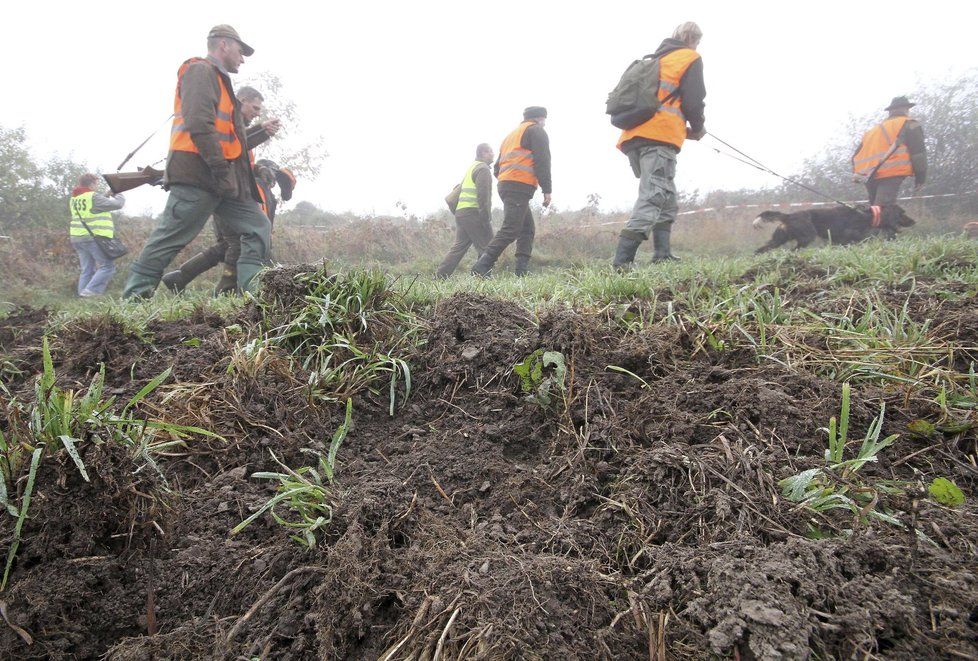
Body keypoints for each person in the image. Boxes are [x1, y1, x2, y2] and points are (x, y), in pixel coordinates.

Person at [122, 24, 271, 299]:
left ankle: (256, 295)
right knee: (170, 238)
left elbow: (233, 145)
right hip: (200, 176)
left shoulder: (222, 83)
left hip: (224, 182)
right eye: (241, 50)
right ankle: (134, 298)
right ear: (224, 45)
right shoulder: (200, 71)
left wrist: (261, 134)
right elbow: (199, 125)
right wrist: (219, 169)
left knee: (257, 225)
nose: (243, 57)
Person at [160, 85, 283, 293]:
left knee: (228, 244)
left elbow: (237, 164)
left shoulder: (240, 131)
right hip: (223, 194)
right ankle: (226, 291)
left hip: (230, 194)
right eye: (254, 108)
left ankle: (180, 277)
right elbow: (214, 155)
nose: (256, 113)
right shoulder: (226, 125)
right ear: (241, 100)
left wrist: (258, 168)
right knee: (236, 243)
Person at [611, 21, 706, 270]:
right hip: (659, 139)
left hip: (634, 137)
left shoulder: (656, 60)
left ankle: (662, 253)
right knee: (654, 196)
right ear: (693, 39)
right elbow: (694, 101)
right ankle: (622, 262)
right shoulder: (689, 57)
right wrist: (698, 128)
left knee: (666, 195)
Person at [471, 107, 552, 277]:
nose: (545, 123)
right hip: (519, 185)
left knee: (527, 228)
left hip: (508, 185)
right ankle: (481, 266)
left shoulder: (511, 135)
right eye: (545, 119)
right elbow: (543, 160)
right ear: (540, 118)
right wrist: (547, 189)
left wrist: (507, 178)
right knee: (511, 229)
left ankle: (521, 271)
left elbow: (497, 167)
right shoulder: (536, 131)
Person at [852, 96, 927, 205]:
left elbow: (855, 155)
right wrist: (921, 178)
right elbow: (918, 153)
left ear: (890, 111)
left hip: (869, 175)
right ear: (906, 109)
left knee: (874, 211)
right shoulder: (910, 123)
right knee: (883, 210)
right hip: (891, 172)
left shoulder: (873, 131)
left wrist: (858, 174)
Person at [436, 143, 495, 278]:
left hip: (462, 213)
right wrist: (485, 218)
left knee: (459, 247)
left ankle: (440, 276)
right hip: (473, 213)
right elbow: (483, 196)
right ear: (482, 153)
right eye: (490, 151)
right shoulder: (483, 169)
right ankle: (482, 275)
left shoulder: (472, 167)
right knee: (486, 246)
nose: (493, 154)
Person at [69, 173, 126, 297]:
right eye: (96, 183)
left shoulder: (75, 198)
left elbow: (94, 206)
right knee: (107, 266)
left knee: (87, 270)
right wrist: (118, 193)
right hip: (93, 238)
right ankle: (91, 292)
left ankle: (83, 299)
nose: (97, 186)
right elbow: (118, 204)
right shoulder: (93, 197)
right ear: (91, 184)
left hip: (77, 238)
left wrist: (107, 195)